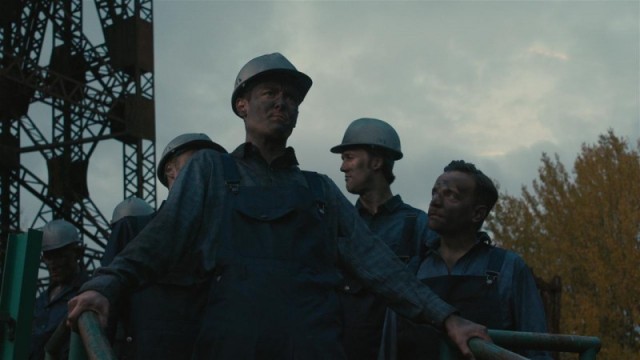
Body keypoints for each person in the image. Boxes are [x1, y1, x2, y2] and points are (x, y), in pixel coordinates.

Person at [68, 52, 489, 359]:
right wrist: (106, 284)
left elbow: (381, 268)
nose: (282, 103)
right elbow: (161, 239)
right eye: (270, 92)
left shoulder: (320, 191)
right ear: (242, 105)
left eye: (291, 98)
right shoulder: (211, 172)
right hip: (229, 347)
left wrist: (448, 319)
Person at [399, 160, 550, 359]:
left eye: (450, 195)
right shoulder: (415, 270)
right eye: (434, 193)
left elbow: (537, 349)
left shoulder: (508, 268)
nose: (435, 201)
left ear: (477, 213)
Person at [102, 134, 227, 359]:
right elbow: (106, 308)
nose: (206, 168)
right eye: (196, 160)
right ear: (171, 170)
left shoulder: (229, 238)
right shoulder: (135, 229)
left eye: (213, 164)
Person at [330, 117, 438, 359]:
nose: (342, 168)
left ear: (377, 162)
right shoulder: (337, 227)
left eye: (349, 157)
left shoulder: (419, 226)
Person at [29, 219, 89, 360]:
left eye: (60, 256)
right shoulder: (42, 300)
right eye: (48, 257)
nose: (53, 264)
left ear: (78, 253)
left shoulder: (87, 294)